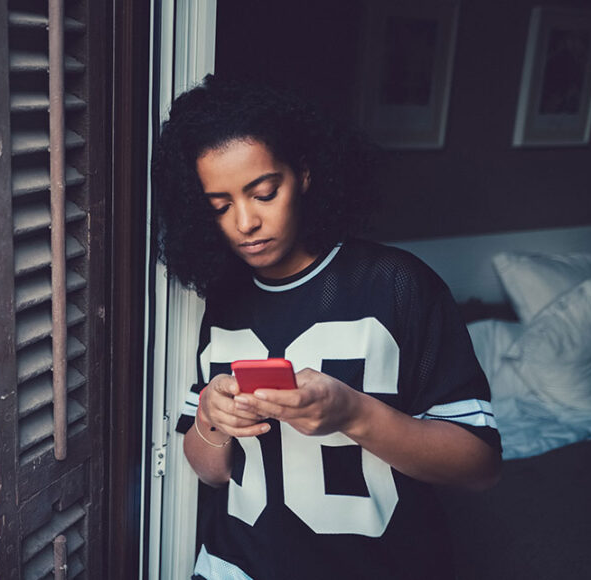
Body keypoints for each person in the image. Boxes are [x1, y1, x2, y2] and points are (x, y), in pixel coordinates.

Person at [151, 76, 501, 580]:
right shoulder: (224, 298)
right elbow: (212, 470)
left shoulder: (397, 284)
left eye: (264, 192)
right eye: (220, 206)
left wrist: (353, 412)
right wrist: (209, 416)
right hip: (237, 565)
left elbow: (480, 466)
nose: (244, 222)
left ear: (306, 174)